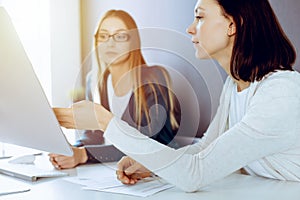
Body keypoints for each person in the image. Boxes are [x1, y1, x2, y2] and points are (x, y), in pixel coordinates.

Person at [53, 0, 300, 193]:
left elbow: (195, 173)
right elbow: (204, 149)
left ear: (232, 25)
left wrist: (104, 121)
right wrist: (154, 164)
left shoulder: (280, 93)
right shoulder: (233, 86)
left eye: (200, 17)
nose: (190, 28)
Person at [49, 9, 180, 169]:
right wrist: (72, 151)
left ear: (134, 42)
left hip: (154, 173)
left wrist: (84, 154)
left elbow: (147, 144)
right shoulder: (95, 81)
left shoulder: (153, 78)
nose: (110, 43)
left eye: (120, 36)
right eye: (103, 36)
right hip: (106, 170)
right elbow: (93, 135)